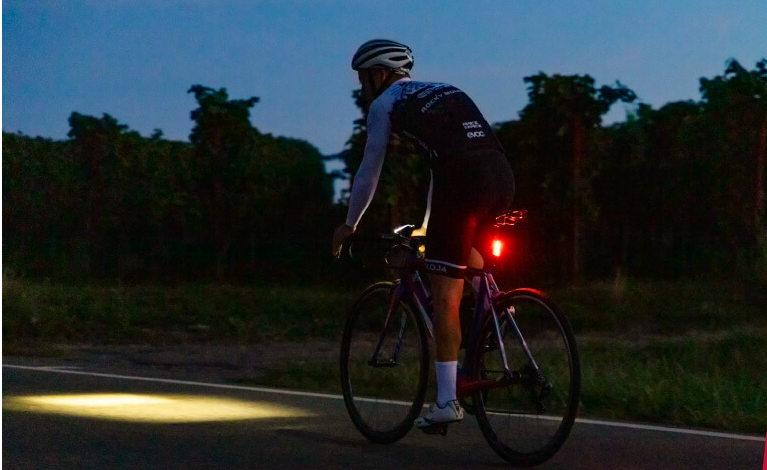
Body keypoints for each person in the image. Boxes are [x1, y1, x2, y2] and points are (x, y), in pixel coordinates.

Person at [332, 39, 515, 430]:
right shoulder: (446, 90)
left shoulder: (384, 105)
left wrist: (351, 223)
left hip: (464, 182)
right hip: (501, 176)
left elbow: (370, 167)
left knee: (445, 295)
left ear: (378, 74)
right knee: (461, 253)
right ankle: (494, 306)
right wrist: (430, 226)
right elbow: (443, 167)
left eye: (364, 79)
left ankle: (448, 402)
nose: (363, 87)